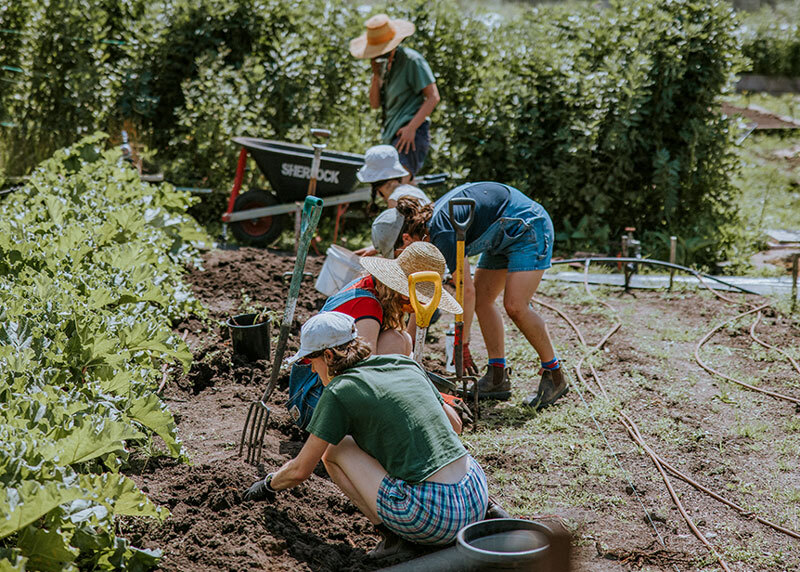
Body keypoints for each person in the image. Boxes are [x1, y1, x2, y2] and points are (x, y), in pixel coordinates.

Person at [244, 312, 489, 559]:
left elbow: (300, 470)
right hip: (477, 494)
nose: (312, 369)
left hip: (435, 517)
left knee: (335, 450)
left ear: (328, 356)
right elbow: (455, 425)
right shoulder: (405, 363)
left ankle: (393, 540)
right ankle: (492, 512)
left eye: (310, 362)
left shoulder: (340, 391)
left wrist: (267, 485)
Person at [369, 182, 569, 410]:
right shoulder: (430, 231)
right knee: (484, 301)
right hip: (501, 234)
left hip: (526, 226)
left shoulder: (440, 234)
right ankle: (497, 376)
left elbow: (463, 290)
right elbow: (440, 293)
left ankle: (554, 374)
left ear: (406, 239)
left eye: (396, 255)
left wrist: (459, 342)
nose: (400, 262)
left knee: (515, 305)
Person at [287, 241, 461, 428]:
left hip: (323, 390)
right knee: (395, 342)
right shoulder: (367, 307)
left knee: (402, 340)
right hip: (314, 401)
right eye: (417, 297)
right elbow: (365, 375)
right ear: (402, 289)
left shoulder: (372, 286)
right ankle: (374, 429)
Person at [350, 14, 440, 177]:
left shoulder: (412, 60)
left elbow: (433, 97)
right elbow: (375, 104)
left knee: (398, 188)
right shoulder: (383, 67)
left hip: (409, 134)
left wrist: (411, 128)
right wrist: (376, 76)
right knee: (391, 188)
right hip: (391, 135)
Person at [354, 144, 431, 257]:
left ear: (375, 185)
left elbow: (399, 247)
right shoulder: (412, 190)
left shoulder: (395, 201)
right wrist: (375, 248)